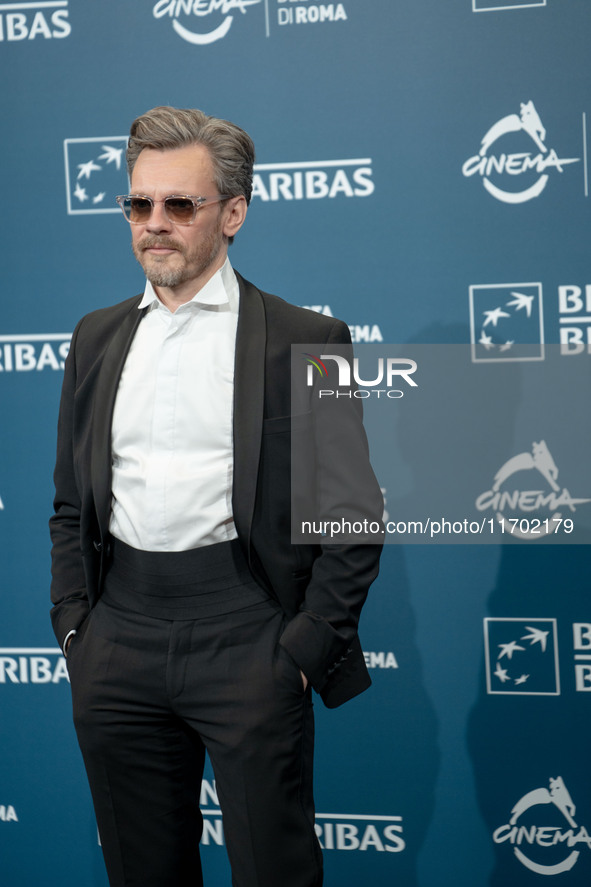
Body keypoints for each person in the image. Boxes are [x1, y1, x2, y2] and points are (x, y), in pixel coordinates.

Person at [49, 105, 383, 887]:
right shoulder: (93, 338)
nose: (153, 224)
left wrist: (301, 651)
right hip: (117, 642)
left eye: (179, 204)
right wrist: (76, 631)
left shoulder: (310, 338)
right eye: (139, 204)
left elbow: (352, 516)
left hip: (249, 640)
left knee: (275, 873)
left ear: (233, 212)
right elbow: (72, 504)